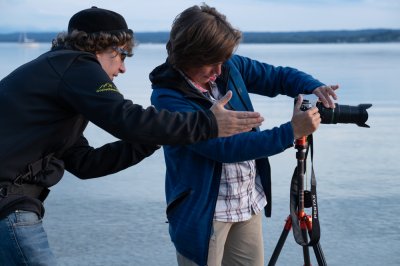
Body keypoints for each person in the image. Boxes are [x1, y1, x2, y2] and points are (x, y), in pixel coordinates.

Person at [0, 6, 264, 265]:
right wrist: (207, 123)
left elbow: (85, 163)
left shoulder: (58, 82)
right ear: (102, 47)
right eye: (123, 55)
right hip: (10, 202)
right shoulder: (77, 64)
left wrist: (158, 136)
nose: (123, 68)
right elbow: (128, 119)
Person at [150, 4, 339, 266]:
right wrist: (292, 131)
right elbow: (223, 148)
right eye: (210, 64)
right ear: (187, 55)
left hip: (246, 202)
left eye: (222, 61)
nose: (218, 71)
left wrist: (313, 86)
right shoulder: (168, 96)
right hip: (204, 213)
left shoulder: (228, 66)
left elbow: (277, 77)